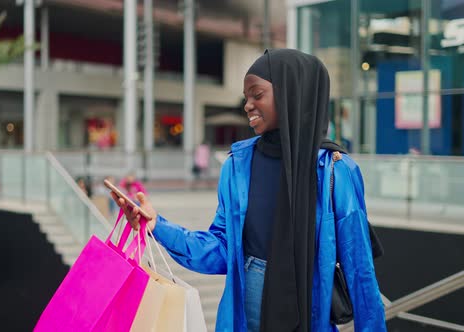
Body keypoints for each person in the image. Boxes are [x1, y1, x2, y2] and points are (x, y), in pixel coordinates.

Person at [112, 49, 386, 331]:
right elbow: (221, 248)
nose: (248, 105)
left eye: (257, 94)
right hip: (246, 317)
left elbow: (360, 272)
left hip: (310, 317)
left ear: (290, 93)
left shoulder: (335, 170)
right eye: (246, 97)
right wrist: (157, 225)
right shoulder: (238, 165)